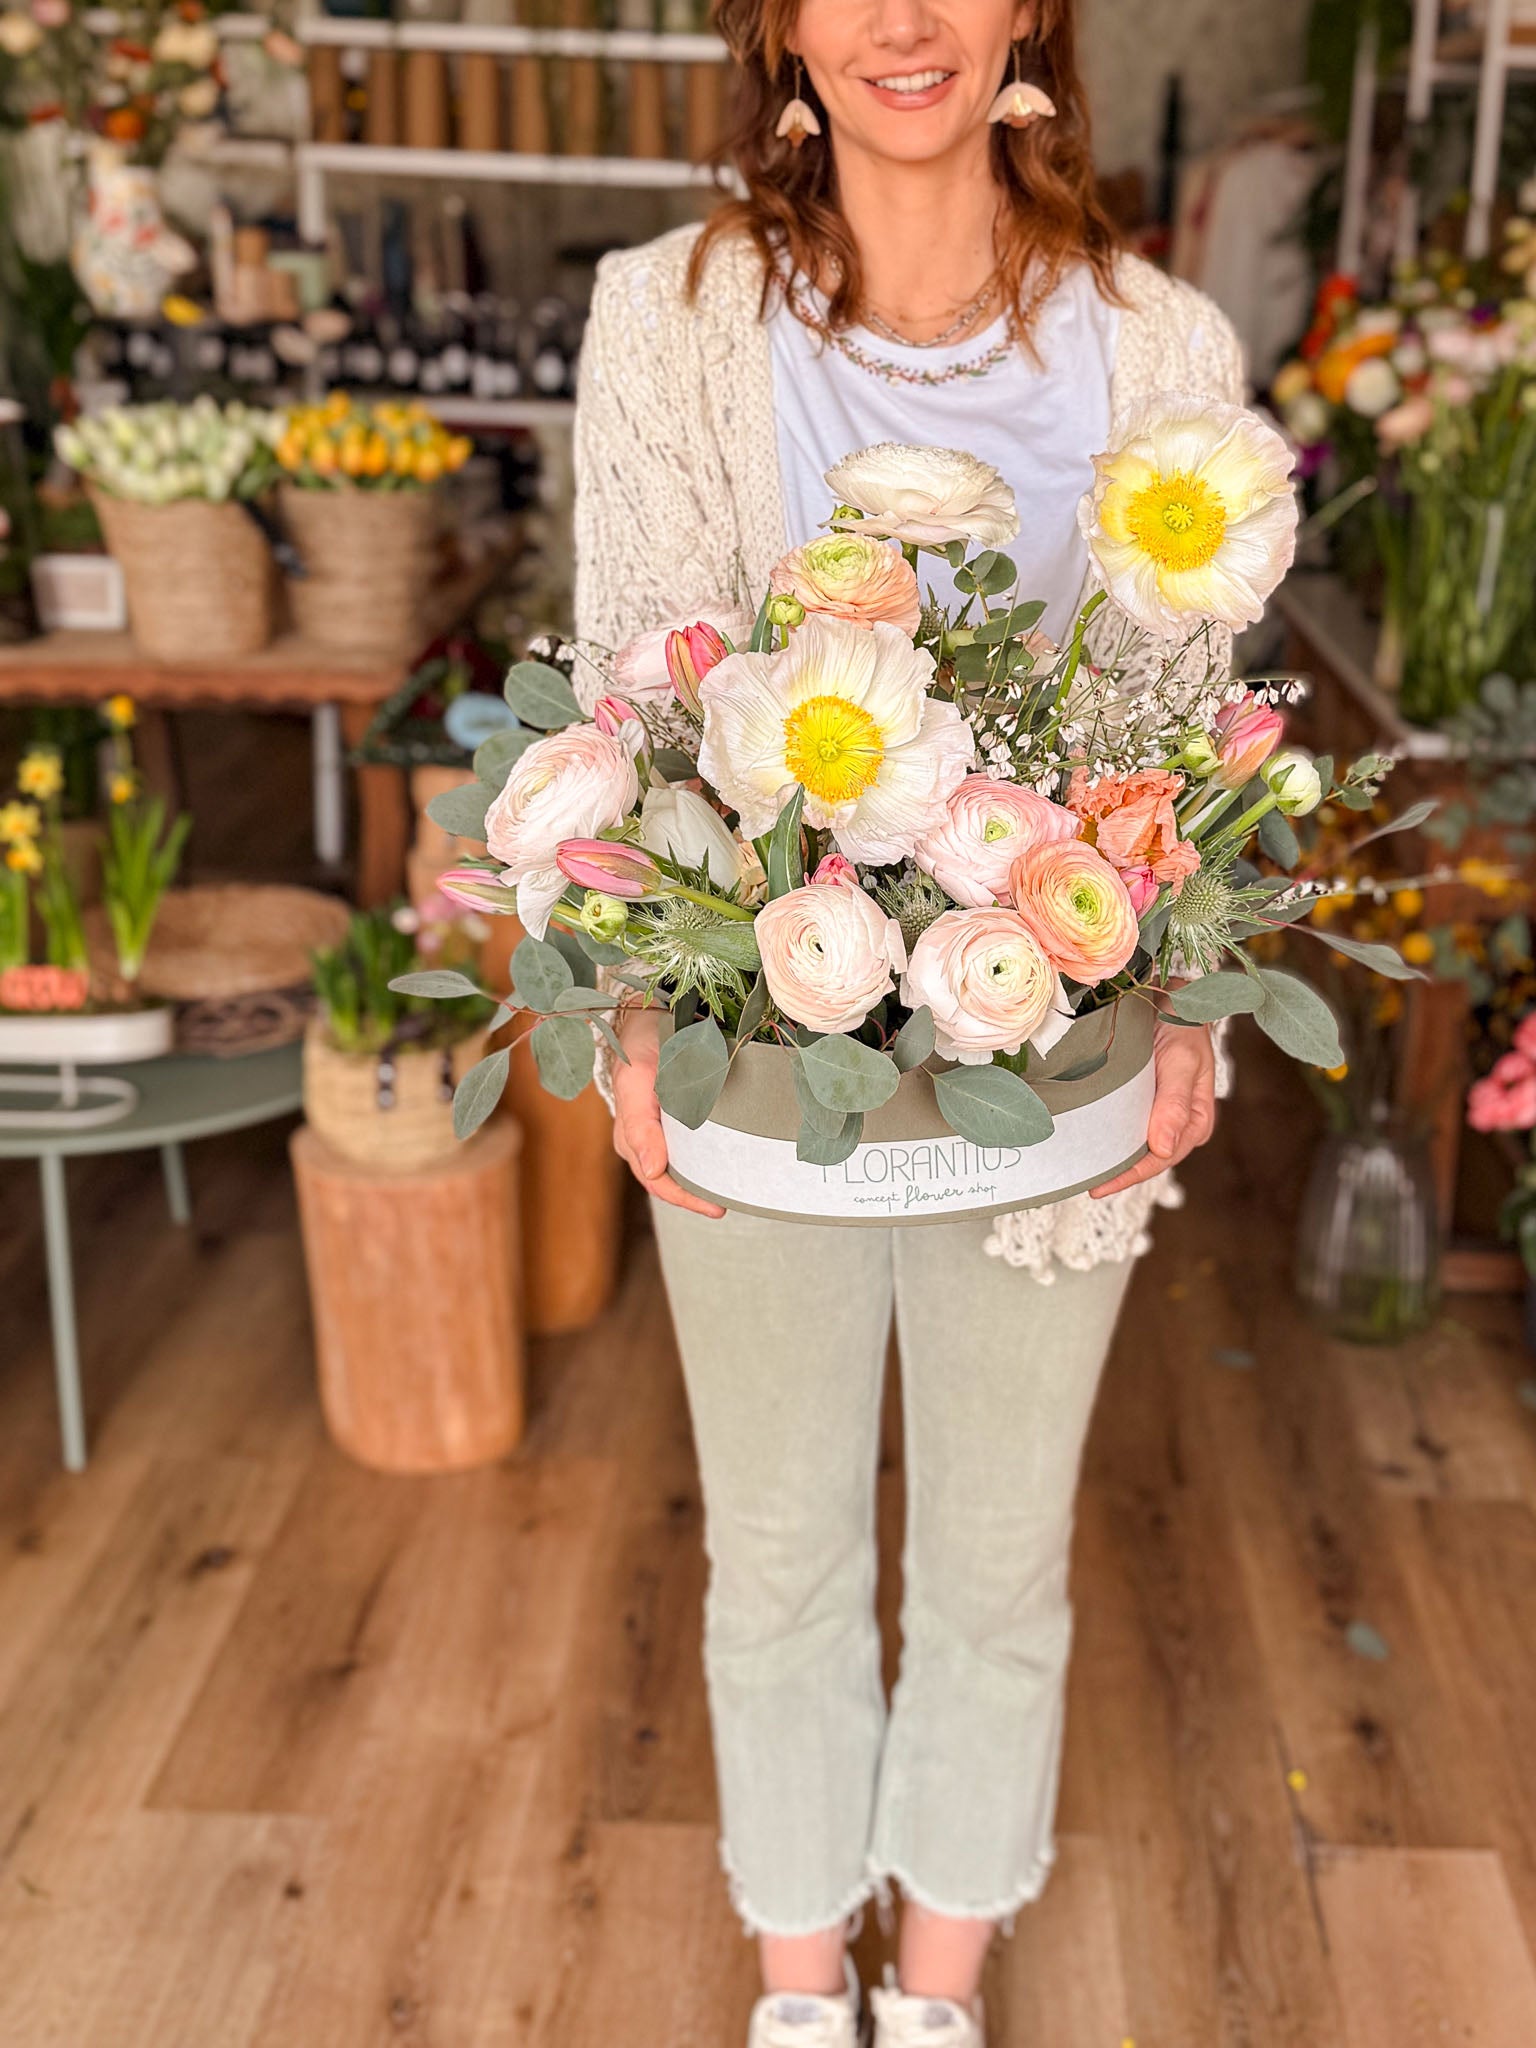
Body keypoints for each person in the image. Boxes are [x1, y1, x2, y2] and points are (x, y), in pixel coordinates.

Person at [573, 0, 1238, 2040]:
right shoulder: (668, 314)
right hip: (753, 1049)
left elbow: (1177, 749)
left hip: (1059, 1057)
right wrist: (628, 1008)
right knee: (770, 1545)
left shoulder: (1163, 354)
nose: (901, 20)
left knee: (998, 1554)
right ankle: (802, 1985)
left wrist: (1191, 1002)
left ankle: (932, 1991)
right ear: (776, 20)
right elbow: (638, 697)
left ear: (1030, 6)